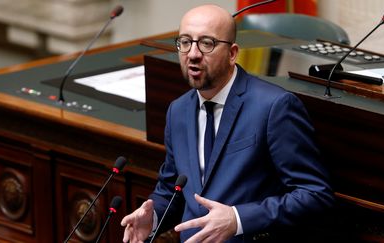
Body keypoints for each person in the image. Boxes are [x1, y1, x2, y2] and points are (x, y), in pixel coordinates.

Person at [121, 4, 334, 243]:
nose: (193, 54)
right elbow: (173, 189)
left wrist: (238, 219)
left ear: (232, 53)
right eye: (185, 42)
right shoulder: (178, 111)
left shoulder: (274, 107)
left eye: (206, 43)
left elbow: (314, 194)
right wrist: (153, 219)